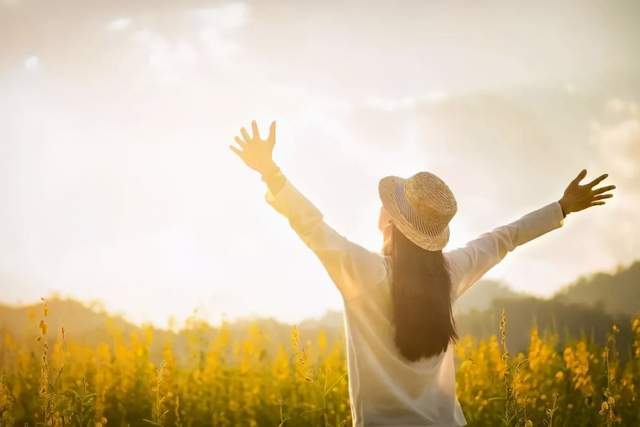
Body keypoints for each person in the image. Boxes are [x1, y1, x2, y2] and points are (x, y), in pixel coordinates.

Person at [229, 120, 616, 427]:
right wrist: (561, 207)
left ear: (389, 222)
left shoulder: (364, 274)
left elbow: (311, 226)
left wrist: (271, 172)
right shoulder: (449, 273)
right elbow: (505, 238)